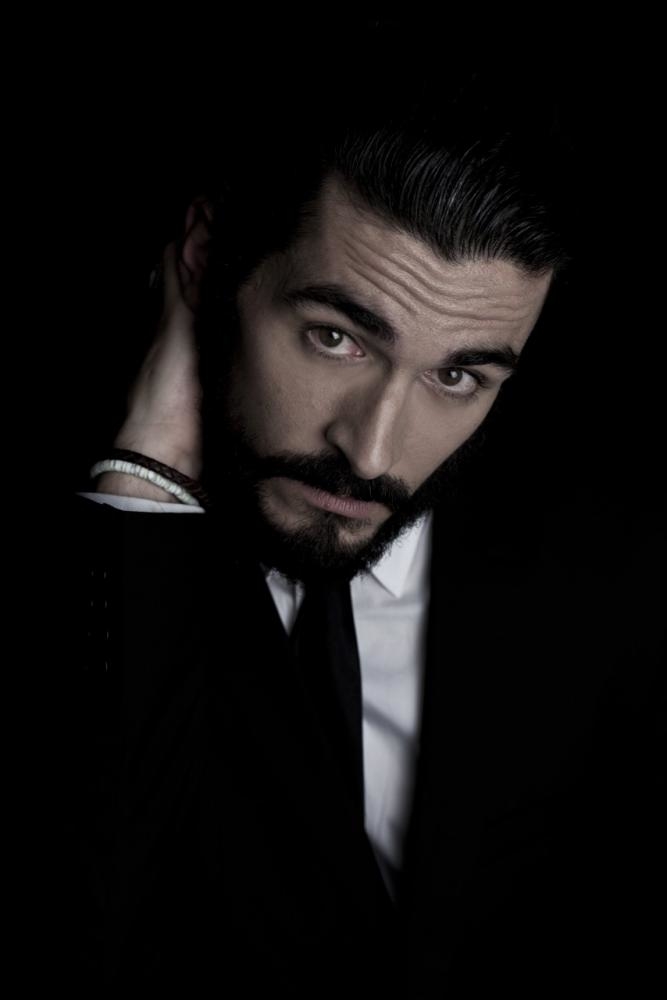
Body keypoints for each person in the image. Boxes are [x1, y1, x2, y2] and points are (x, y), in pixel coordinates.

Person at [60, 42, 664, 997]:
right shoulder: (113, 556)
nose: (374, 452)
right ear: (208, 260)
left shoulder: (604, 567)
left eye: (457, 376)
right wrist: (144, 486)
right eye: (335, 337)